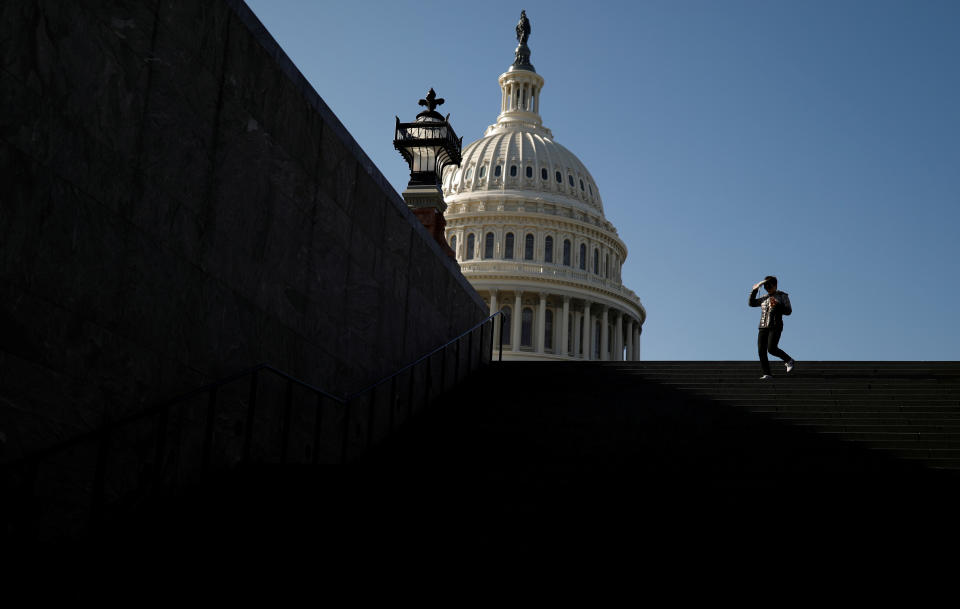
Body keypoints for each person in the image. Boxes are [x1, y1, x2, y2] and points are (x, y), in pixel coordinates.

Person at [749, 276, 795, 379]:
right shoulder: (764, 298)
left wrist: (778, 306)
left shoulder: (782, 295)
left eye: (770, 286)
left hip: (776, 325)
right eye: (766, 286)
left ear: (775, 285)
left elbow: (788, 311)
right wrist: (755, 290)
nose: (768, 288)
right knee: (761, 350)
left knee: (771, 348)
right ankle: (767, 373)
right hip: (763, 326)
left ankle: (788, 360)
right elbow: (751, 303)